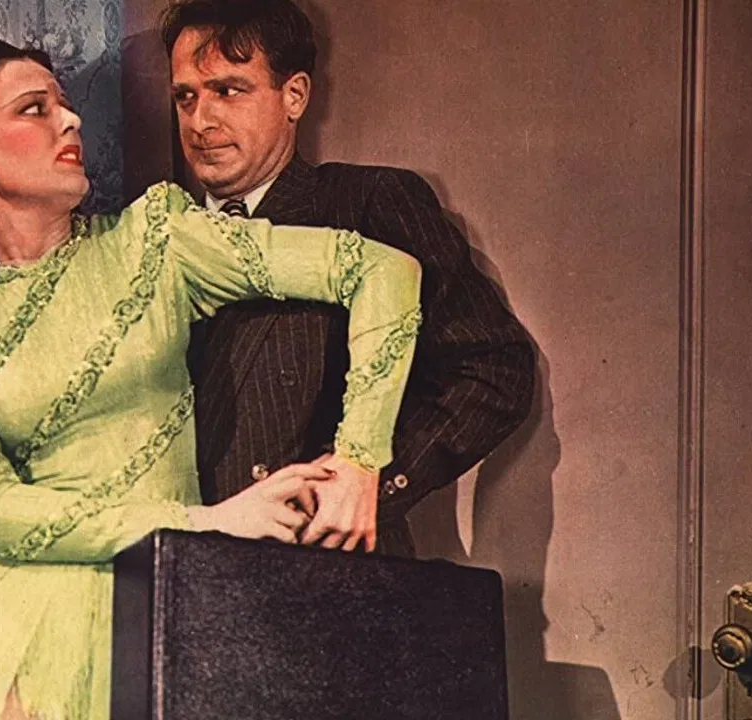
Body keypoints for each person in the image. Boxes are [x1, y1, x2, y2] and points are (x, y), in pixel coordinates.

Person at [0, 37, 423, 719]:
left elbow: (382, 271)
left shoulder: (155, 239)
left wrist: (360, 458)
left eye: (65, 104)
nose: (70, 120)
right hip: (23, 626)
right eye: (34, 109)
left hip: (164, 606)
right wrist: (205, 522)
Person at [161, 0, 537, 557]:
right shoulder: (158, 236)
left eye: (228, 91)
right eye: (186, 97)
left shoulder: (366, 204)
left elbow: (495, 368)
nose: (200, 121)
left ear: (294, 95)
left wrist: (369, 482)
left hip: (327, 566)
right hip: (189, 564)